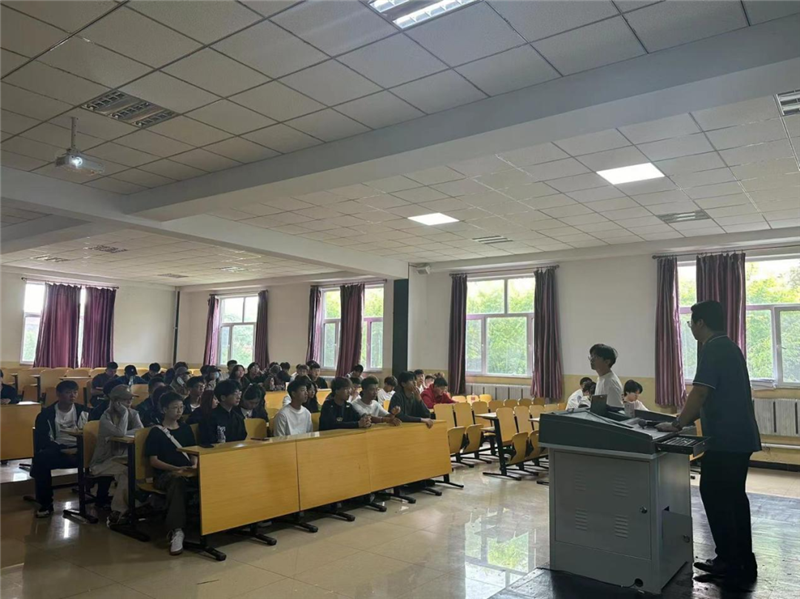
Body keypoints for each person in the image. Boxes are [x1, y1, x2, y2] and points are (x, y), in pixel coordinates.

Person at [657, 300, 761, 587]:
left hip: (727, 440)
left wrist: (677, 424)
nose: (690, 327)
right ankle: (741, 560)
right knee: (734, 499)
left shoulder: (713, 348)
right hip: (738, 437)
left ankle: (730, 562)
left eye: (691, 322)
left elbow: (700, 392)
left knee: (717, 496)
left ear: (700, 322)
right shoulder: (729, 346)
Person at [144, 391, 199, 556]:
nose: (179, 411)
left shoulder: (186, 428)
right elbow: (154, 461)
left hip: (186, 471)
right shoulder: (156, 432)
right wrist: (175, 469)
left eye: (181, 407)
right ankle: (177, 530)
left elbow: (193, 452)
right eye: (175, 407)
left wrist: (194, 465)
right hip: (165, 475)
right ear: (164, 409)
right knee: (177, 482)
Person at [31, 380, 88, 517]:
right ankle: (46, 503)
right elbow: (42, 440)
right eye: (68, 392)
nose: (72, 396)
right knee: (41, 460)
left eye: (75, 392)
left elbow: (93, 434)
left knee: (103, 455)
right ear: (58, 394)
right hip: (58, 449)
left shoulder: (84, 411)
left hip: (79, 449)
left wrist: (78, 449)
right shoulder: (46, 414)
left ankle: (101, 498)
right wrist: (61, 449)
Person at [90, 385, 143, 526]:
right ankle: (119, 510)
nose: (129, 403)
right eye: (125, 400)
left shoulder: (134, 414)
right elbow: (120, 433)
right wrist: (124, 413)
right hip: (102, 463)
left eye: (131, 399)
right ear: (115, 401)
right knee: (128, 473)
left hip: (120, 459)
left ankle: (132, 506)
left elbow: (140, 431)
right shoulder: (106, 417)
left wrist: (127, 429)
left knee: (137, 470)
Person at [198, 379, 246, 445]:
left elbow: (242, 438)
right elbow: (208, 440)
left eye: (239, 393)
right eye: (235, 394)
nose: (238, 397)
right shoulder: (210, 418)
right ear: (223, 397)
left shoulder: (238, 418)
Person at [589, 344, 623, 408]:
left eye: (595, 357)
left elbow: (615, 410)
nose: (591, 360)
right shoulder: (601, 378)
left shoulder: (611, 383)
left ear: (607, 361)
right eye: (591, 356)